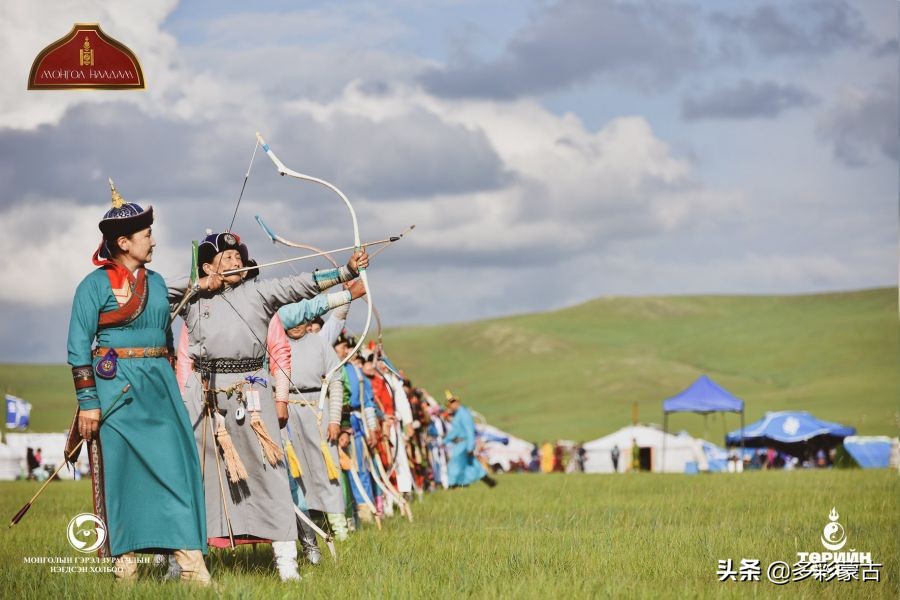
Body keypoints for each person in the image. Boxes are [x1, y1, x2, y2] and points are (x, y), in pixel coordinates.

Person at [170, 230, 368, 582]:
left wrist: (345, 272)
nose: (236, 262)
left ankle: (287, 564)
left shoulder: (259, 291)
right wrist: (199, 284)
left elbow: (299, 286)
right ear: (205, 266)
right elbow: (155, 295)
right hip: (206, 395)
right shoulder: (191, 296)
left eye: (239, 259)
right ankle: (185, 563)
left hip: (252, 393)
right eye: (226, 258)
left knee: (271, 473)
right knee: (197, 476)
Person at [67, 180, 209, 584]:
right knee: (123, 477)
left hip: (159, 389)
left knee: (177, 471)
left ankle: (189, 562)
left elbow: (166, 340)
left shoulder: (159, 283)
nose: (153, 241)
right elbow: (78, 348)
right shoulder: (92, 286)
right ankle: (124, 566)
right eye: (147, 235)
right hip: (116, 392)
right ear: (124, 242)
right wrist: (89, 402)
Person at [443, 391, 496, 488]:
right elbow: (455, 431)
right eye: (449, 403)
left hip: (463, 443)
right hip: (462, 443)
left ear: (457, 402)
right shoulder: (458, 414)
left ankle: (453, 485)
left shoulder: (463, 414)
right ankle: (488, 481)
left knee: (455, 464)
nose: (451, 405)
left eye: (452, 402)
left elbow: (469, 430)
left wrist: (470, 446)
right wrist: (445, 440)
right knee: (472, 464)